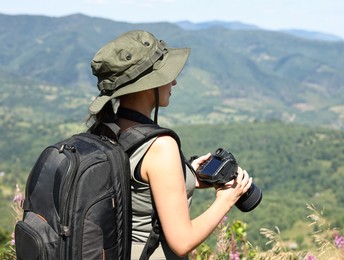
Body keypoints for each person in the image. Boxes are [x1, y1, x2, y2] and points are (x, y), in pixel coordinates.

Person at [88, 30, 252, 259]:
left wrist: (186, 175)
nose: (173, 81)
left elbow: (135, 191)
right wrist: (227, 199)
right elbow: (182, 242)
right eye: (166, 75)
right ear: (147, 85)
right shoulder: (160, 147)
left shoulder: (104, 130)